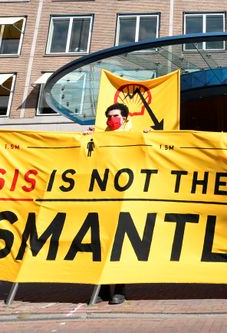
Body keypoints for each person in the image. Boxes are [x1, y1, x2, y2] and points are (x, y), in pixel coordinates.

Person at [97, 103, 130, 305]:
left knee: (119, 247)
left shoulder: (135, 135)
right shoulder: (101, 136)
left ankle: (119, 289)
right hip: (104, 196)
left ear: (125, 117)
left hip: (125, 197)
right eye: (109, 116)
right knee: (100, 244)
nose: (112, 119)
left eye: (116, 115)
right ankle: (101, 289)